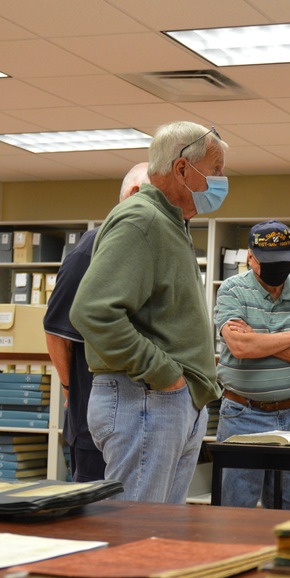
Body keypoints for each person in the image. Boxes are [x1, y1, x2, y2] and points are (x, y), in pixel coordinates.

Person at [71, 122, 226, 503]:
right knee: (134, 536)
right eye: (217, 168)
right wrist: (165, 375)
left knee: (158, 532)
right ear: (182, 169)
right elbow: (93, 311)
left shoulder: (173, 225)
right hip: (146, 398)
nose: (223, 180)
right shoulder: (142, 220)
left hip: (168, 401)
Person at [43, 162, 150, 482]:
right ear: (134, 194)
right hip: (97, 418)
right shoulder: (92, 248)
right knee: (97, 518)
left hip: (145, 417)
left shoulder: (149, 246)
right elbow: (56, 332)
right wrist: (68, 386)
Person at [215, 220, 290, 509]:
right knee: (234, 511)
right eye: (269, 261)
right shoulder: (231, 290)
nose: (277, 267)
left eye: (283, 260)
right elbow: (240, 347)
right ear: (251, 257)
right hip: (242, 414)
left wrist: (259, 340)